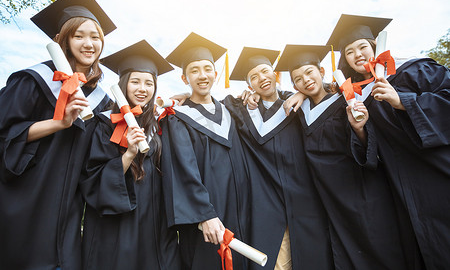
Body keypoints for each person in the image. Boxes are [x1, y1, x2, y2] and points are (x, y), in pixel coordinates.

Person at [0, 0, 115, 270]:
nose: (89, 44)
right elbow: (4, 134)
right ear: (62, 40)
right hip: (27, 195)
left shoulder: (102, 101)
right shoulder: (33, 81)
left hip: (69, 208)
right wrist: (59, 123)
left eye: (95, 37)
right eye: (79, 36)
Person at [327, 14, 450, 269]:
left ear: (374, 45)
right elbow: (372, 149)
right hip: (400, 183)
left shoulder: (413, 69)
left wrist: (401, 100)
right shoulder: (356, 96)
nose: (357, 54)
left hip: (437, 169)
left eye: (362, 46)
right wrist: (359, 129)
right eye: (349, 52)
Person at [276, 44, 411, 269]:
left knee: (376, 248)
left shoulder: (346, 100)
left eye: (309, 72)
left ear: (321, 71)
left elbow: (370, 147)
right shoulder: (299, 112)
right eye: (298, 79)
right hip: (327, 198)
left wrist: (358, 128)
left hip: (360, 190)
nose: (306, 80)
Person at [223, 47, 334, 270]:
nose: (261, 78)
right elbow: (207, 105)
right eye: (253, 77)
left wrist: (302, 93)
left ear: (276, 75)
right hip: (266, 199)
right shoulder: (242, 112)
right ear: (249, 86)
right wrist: (186, 96)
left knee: (313, 255)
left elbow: (328, 92)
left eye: (265, 72)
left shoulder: (299, 105)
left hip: (305, 195)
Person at [80, 40, 181, 269]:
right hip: (117, 221)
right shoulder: (106, 123)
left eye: (149, 83)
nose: (142, 89)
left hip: (154, 221)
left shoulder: (159, 124)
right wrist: (128, 154)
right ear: (124, 84)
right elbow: (92, 177)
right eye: (135, 81)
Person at [159, 32, 250, 270]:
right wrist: (205, 214)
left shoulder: (231, 111)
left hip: (240, 211)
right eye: (194, 70)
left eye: (208, 68)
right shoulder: (178, 118)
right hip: (207, 219)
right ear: (184, 77)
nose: (202, 75)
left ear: (216, 73)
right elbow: (182, 170)